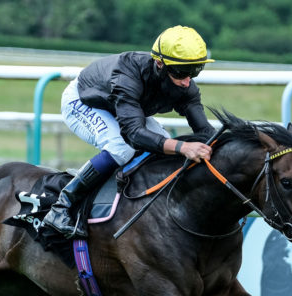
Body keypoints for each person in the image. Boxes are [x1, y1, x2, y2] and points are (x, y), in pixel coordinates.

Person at [42, 25, 217, 239]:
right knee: (121, 147)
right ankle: (62, 205)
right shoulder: (127, 74)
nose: (187, 81)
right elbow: (134, 134)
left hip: (121, 106)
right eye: (181, 72)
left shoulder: (186, 85)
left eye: (195, 71)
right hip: (83, 100)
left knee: (164, 145)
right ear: (159, 64)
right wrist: (183, 147)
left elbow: (205, 131)